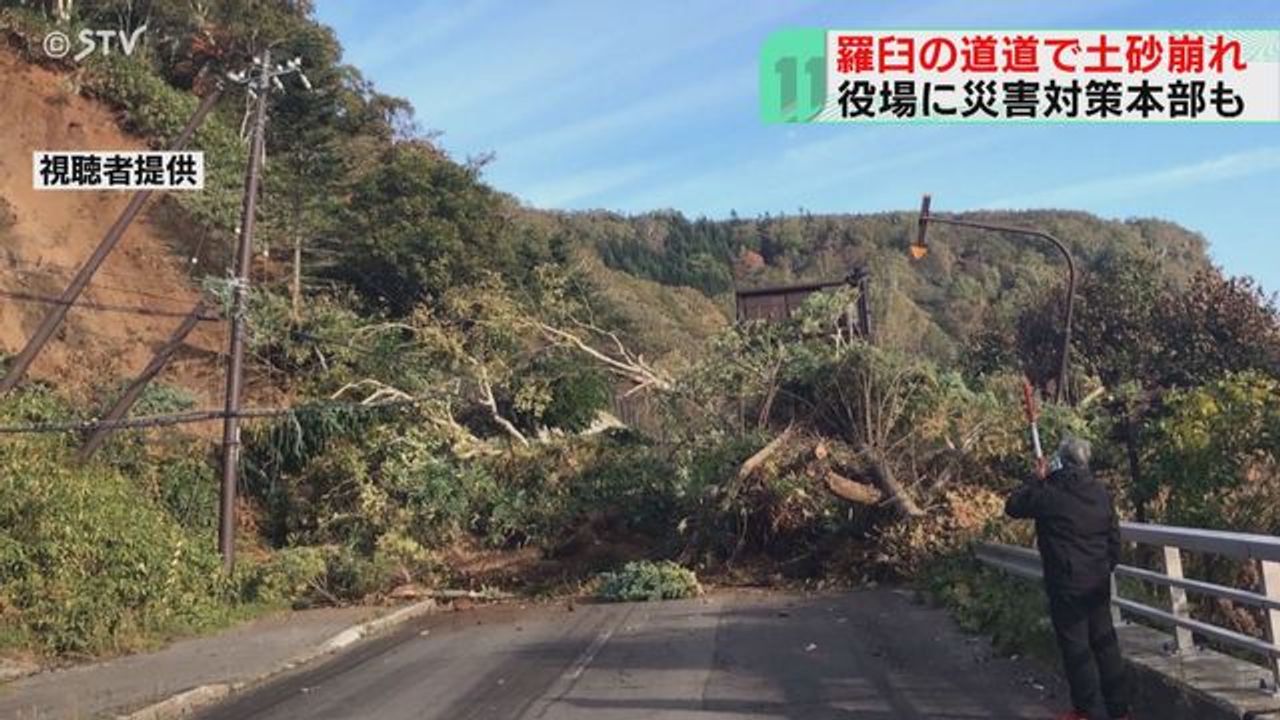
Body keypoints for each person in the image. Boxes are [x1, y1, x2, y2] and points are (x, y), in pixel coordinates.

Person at [1005, 435, 1130, 720]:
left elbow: (1013, 506)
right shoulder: (1101, 493)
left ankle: (1084, 710)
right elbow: (1114, 538)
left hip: (1066, 580)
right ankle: (1120, 711)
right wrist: (1106, 566)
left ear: (1062, 460)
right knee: (1105, 643)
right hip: (1098, 581)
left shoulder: (1051, 492)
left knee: (1076, 647)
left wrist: (1037, 479)